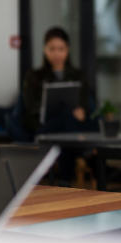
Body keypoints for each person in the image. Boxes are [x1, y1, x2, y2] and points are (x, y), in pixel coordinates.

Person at [23, 27, 90, 186]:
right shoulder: (33, 77)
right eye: (52, 49)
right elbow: (29, 110)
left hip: (68, 130)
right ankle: (83, 151)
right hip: (44, 129)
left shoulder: (79, 76)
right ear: (44, 49)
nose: (57, 54)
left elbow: (85, 106)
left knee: (65, 136)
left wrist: (82, 112)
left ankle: (65, 184)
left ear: (68, 50)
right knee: (66, 123)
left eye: (61, 49)